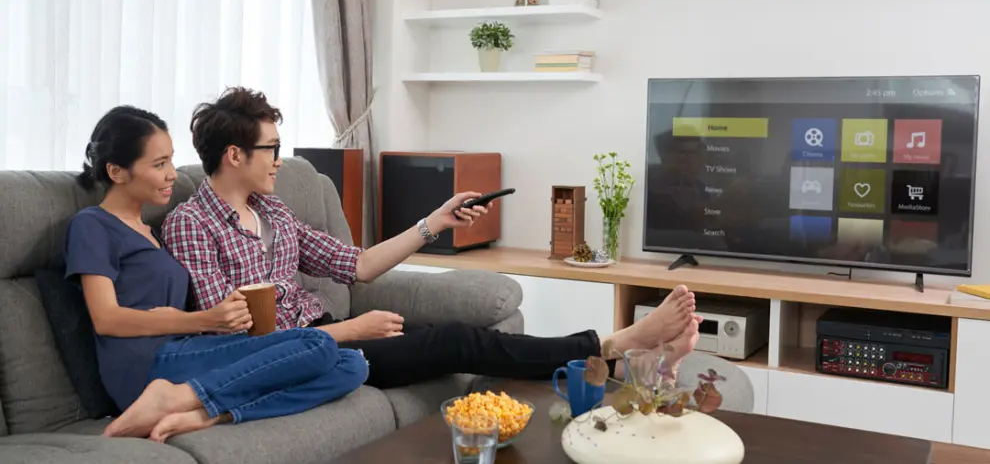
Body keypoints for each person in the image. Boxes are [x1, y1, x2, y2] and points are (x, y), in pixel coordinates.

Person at [162, 87, 702, 394]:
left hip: (329, 332)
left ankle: (623, 364)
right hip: (300, 354)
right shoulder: (190, 224)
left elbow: (360, 265)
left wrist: (434, 222)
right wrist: (348, 330)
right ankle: (613, 346)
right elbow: (237, 338)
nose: (280, 160)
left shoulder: (274, 212)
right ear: (235, 155)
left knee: (467, 337)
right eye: (271, 149)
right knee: (459, 344)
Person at [64, 106, 369, 443]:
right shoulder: (92, 225)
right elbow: (107, 319)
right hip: (145, 364)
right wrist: (203, 320)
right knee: (317, 343)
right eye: (159, 164)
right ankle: (172, 398)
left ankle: (208, 412)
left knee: (351, 365)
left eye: (171, 161)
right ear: (116, 171)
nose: (172, 174)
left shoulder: (150, 232)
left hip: (187, 351)